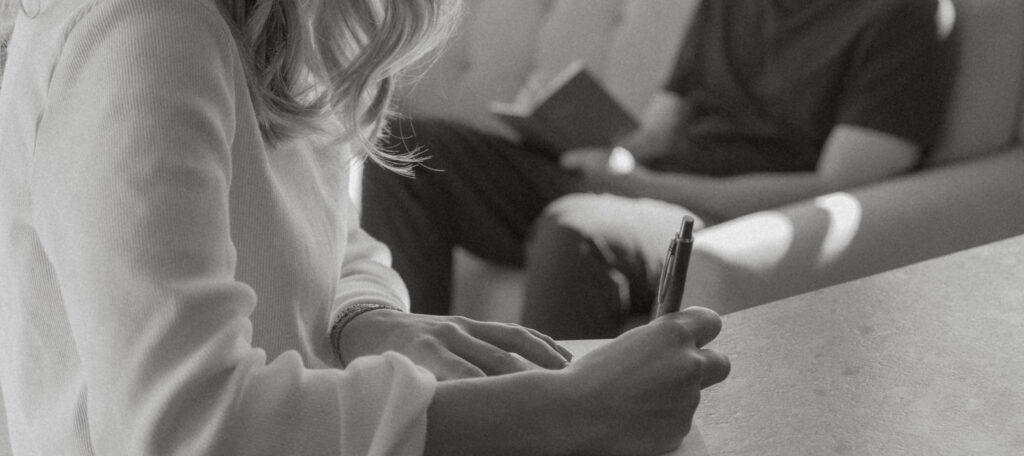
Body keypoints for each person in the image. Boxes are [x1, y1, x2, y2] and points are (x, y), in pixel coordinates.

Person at [0, 0, 730, 456]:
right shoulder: (147, 29)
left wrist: (364, 319)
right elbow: (186, 435)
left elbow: (339, 243)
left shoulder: (272, 23)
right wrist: (573, 408)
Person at [361, 0, 957, 339]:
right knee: (404, 147)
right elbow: (660, 133)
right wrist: (575, 134)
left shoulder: (906, 15)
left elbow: (839, 188)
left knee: (578, 227)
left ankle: (552, 439)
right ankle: (413, 382)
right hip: (650, 187)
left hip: (726, 219)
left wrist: (636, 183)